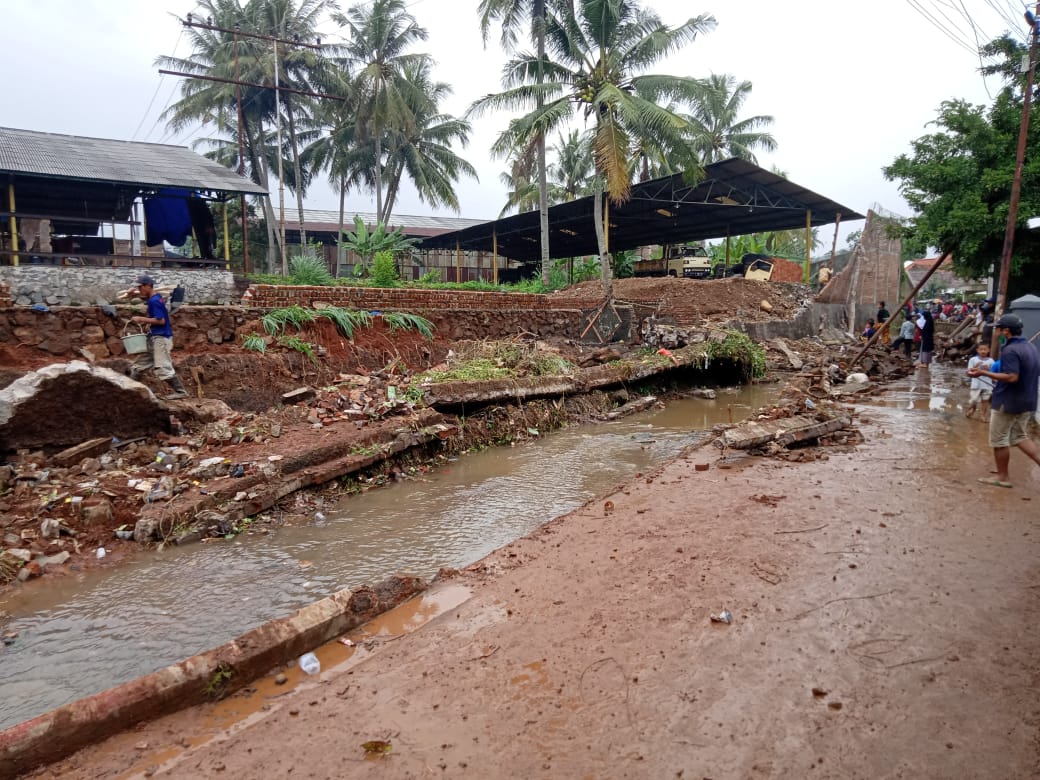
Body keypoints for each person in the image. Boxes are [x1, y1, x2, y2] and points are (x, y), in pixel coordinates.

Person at [967, 313, 1040, 488]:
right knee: (1019, 436)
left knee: (999, 439)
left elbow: (1012, 376)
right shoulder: (1030, 347)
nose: (996, 332)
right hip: (1027, 401)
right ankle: (1002, 471)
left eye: (998, 329)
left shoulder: (1009, 350)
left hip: (1008, 402)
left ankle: (1002, 477)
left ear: (1006, 331)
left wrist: (983, 373)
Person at [129, 275, 188, 400]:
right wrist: (149, 323)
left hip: (161, 338)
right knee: (139, 365)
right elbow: (155, 314)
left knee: (162, 366)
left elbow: (160, 321)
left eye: (140, 288)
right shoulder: (155, 298)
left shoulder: (154, 301)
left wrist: (142, 319)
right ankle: (129, 389)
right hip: (155, 336)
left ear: (148, 286)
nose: (139, 291)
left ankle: (181, 391)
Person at [965, 343, 994, 419]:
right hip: (976, 384)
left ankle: (983, 415)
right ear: (977, 350)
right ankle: (973, 409)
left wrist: (988, 370)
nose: (983, 351)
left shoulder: (991, 361)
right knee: (974, 399)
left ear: (989, 350)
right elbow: (968, 372)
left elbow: (994, 373)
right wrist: (975, 367)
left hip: (987, 384)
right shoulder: (973, 359)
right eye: (981, 349)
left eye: (985, 349)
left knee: (985, 400)